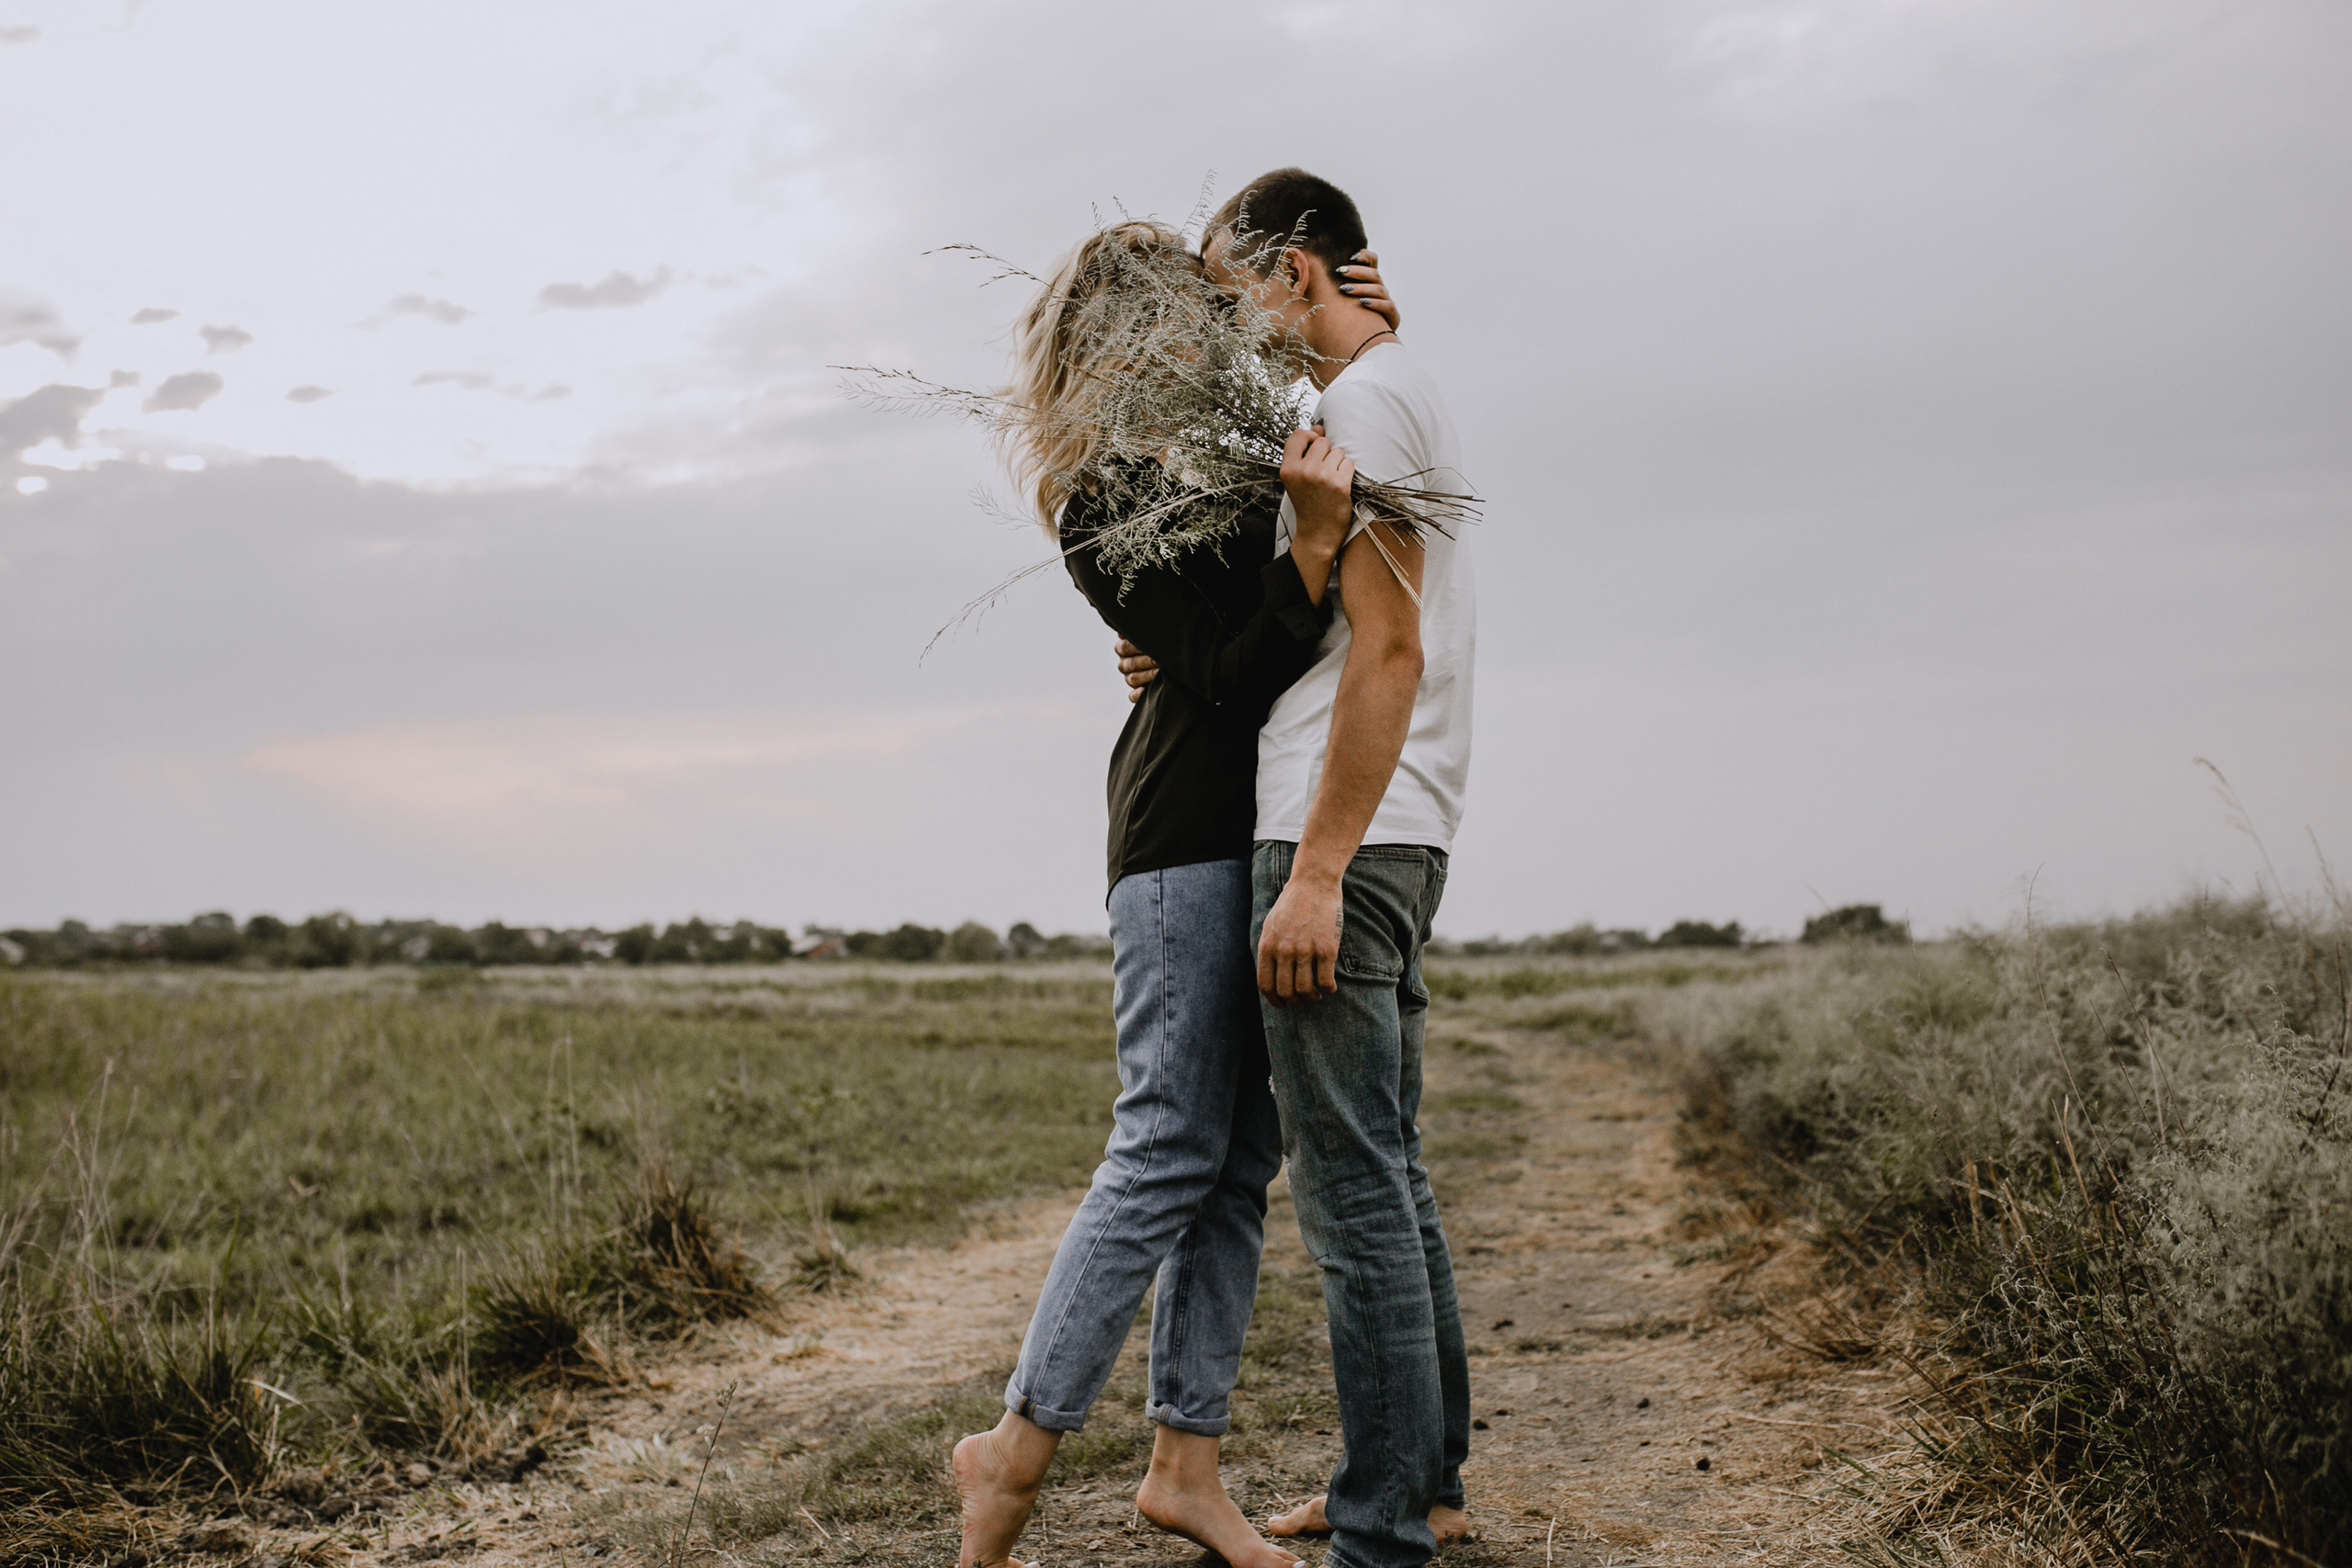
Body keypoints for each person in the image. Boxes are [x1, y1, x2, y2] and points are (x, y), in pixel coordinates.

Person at [950, 220, 1402, 1568]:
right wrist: (1308, 547)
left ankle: (1184, 1468)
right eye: (1190, 311)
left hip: (1253, 829)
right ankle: (1011, 1450)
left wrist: (1374, 338)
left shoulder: (1224, 454)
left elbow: (1334, 437)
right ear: (1125, 336)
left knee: (1237, 1165)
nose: (1216, 328)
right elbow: (1231, 669)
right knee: (1162, 1146)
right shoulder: (1101, 497)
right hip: (1179, 842)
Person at [1212, 166, 1479, 1568]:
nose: (1227, 326)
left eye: (1234, 294)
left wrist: (1313, 873)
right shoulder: (1396, 386)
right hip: (1404, 826)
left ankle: (1382, 1534)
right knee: (1392, 1172)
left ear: (1295, 273)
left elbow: (1389, 646)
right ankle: (1417, 1484)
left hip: (1341, 829)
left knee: (1351, 1190)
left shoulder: (1360, 409)